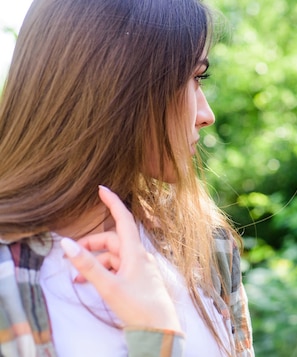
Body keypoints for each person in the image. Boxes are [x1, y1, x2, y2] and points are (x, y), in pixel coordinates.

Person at [0, 0, 254, 356]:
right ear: (117, 88)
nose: (206, 114)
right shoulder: (7, 280)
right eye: (195, 78)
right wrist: (157, 341)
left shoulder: (204, 245)